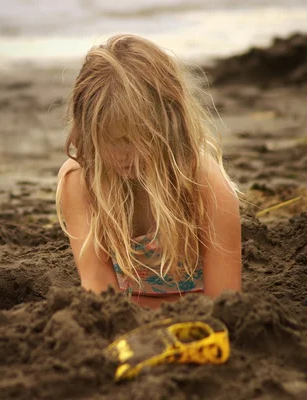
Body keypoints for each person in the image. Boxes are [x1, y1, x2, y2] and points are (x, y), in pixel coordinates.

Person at [56, 34, 242, 308]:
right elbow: (100, 295)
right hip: (130, 319)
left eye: (139, 139)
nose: (125, 156)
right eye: (113, 141)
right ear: (87, 134)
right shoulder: (81, 183)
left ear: (171, 128)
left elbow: (225, 303)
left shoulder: (204, 182)